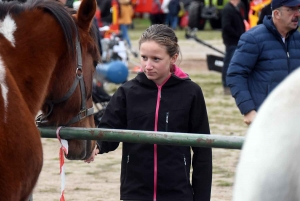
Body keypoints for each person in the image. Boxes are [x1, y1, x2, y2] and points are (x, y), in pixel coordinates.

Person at [85, 24, 212, 201]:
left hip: (177, 193)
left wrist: (201, 197)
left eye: (156, 59)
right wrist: (96, 146)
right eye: (144, 57)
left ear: (173, 58)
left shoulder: (191, 93)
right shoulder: (127, 92)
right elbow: (109, 130)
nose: (148, 65)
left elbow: (203, 151)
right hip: (135, 192)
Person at [226, 0, 300, 125]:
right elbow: (235, 74)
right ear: (277, 14)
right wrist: (248, 110)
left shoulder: (297, 39)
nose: (297, 13)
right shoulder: (253, 38)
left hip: (294, 119)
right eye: (291, 9)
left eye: (298, 9)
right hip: (266, 120)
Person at [221, 0, 246, 95]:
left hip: (236, 40)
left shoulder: (236, 8)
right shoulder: (228, 9)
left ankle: (232, 85)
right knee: (228, 64)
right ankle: (226, 86)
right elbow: (226, 26)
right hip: (232, 41)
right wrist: (237, 35)